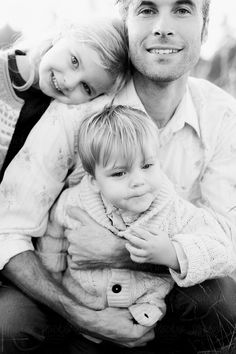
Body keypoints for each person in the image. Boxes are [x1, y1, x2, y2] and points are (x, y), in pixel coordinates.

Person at [1, 0, 236, 353]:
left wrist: (129, 252)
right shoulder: (82, 104)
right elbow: (8, 228)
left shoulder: (221, 115)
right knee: (9, 323)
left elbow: (227, 240)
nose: (162, 27)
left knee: (222, 302)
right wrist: (81, 313)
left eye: (182, 10)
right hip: (73, 291)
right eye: (146, 10)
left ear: (204, 29)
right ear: (125, 24)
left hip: (160, 298)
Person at [37, 103, 235, 339]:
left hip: (147, 318)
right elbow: (53, 235)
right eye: (120, 173)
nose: (138, 181)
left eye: (147, 165)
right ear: (94, 180)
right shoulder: (75, 202)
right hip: (86, 312)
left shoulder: (171, 210)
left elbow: (223, 252)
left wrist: (173, 253)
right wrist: (54, 274)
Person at [0, 16, 129, 180]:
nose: (70, 82)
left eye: (86, 87)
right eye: (74, 61)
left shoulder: (56, 121)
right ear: (61, 36)